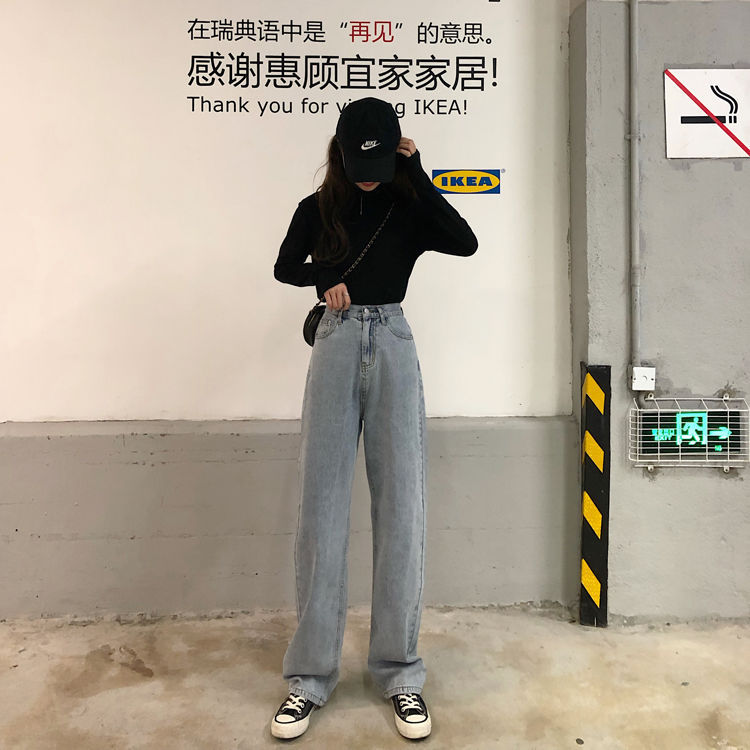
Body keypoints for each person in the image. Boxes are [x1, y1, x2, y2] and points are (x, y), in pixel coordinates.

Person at [271, 97, 478, 741]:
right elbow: (284, 266)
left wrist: (416, 173)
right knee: (321, 512)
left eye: (381, 163)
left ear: (395, 153)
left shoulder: (407, 202)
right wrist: (326, 278)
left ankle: (400, 673)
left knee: (402, 511)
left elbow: (465, 241)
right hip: (336, 343)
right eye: (360, 164)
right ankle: (310, 678)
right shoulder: (318, 209)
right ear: (340, 152)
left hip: (392, 341)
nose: (369, 177)